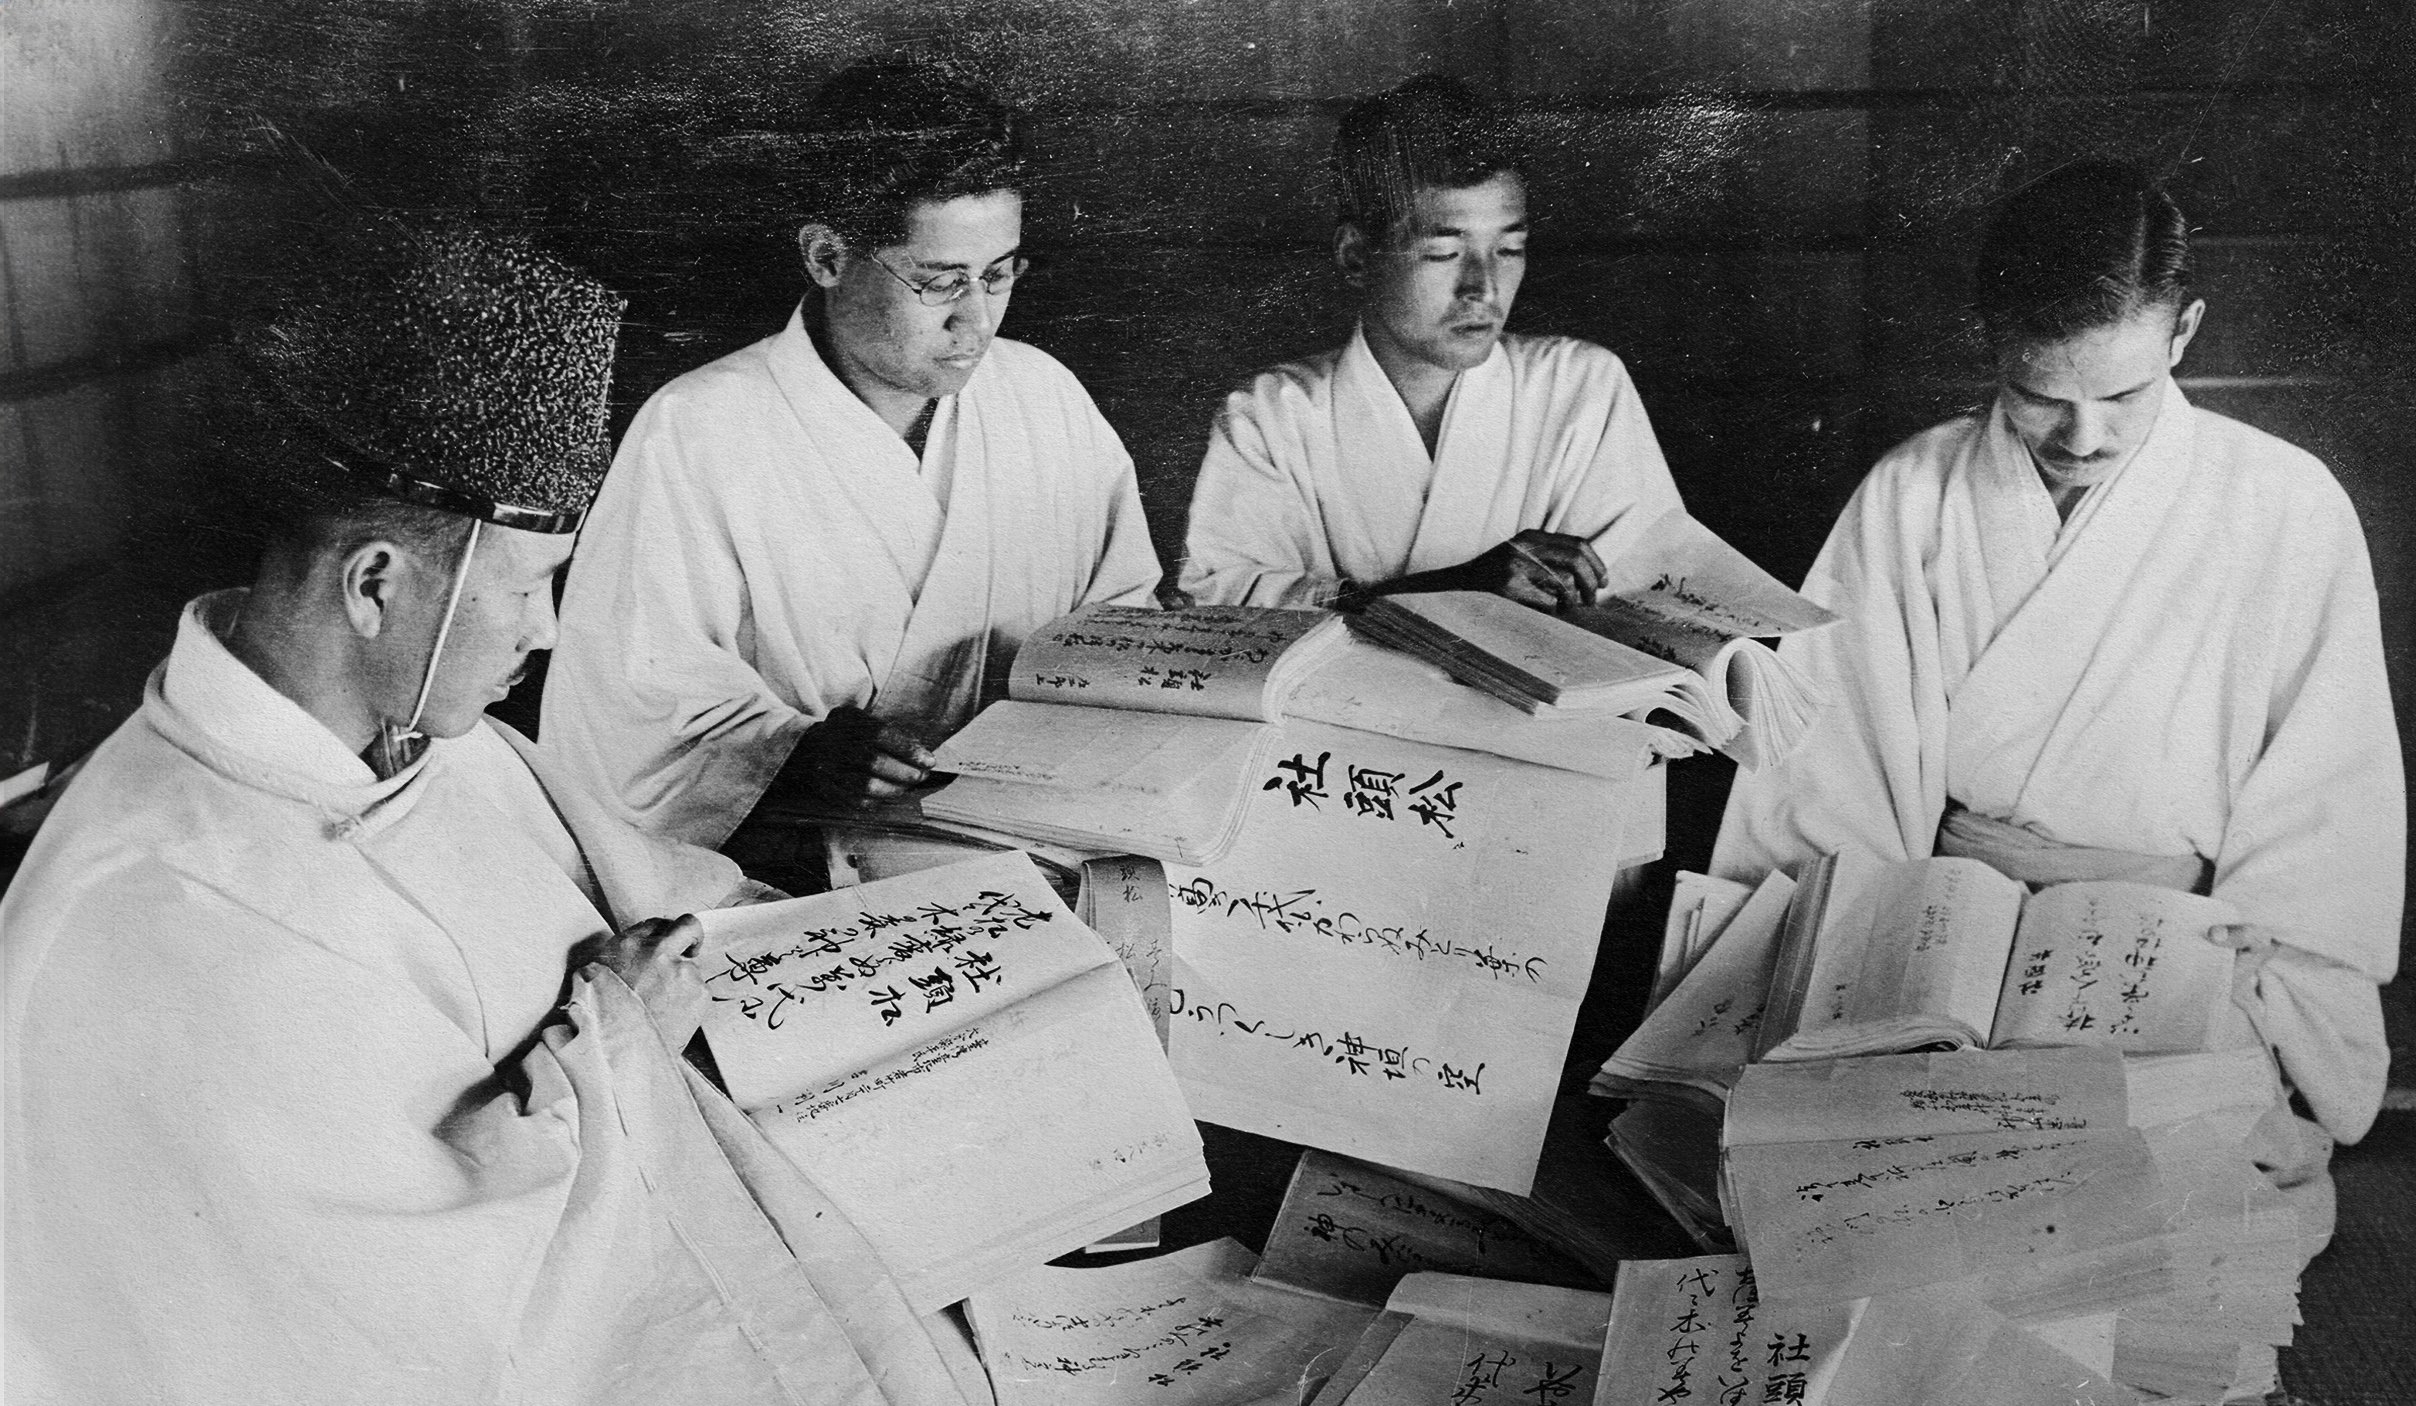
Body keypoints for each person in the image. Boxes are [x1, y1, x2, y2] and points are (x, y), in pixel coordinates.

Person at [2, 220, 985, 1405]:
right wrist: (611, 1036)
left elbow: (675, 894)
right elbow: (388, 1307)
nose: (548, 629)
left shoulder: (433, 743)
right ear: (375, 583)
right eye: (528, 586)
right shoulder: (159, 907)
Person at [1711, 161, 2403, 1243]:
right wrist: (1871, 947)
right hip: (1946, 930)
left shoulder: (2286, 503)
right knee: (1859, 1191)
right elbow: (1837, 757)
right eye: (2041, 395)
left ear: (2182, 333)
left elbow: (2328, 788)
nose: (2081, 435)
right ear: (1991, 342)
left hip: (2175, 945)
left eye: (2120, 395)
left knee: (2182, 1210)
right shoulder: (1913, 491)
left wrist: (2259, 956)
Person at [538, 56, 1159, 872]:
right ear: (828, 257)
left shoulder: (1045, 399)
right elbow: (630, 711)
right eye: (940, 283)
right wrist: (791, 756)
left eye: (999, 275)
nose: (976, 321)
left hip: (1040, 845)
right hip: (799, 877)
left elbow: (1125, 628)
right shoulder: (696, 431)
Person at [1178, 74, 1683, 612]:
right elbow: (1220, 607)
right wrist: (1452, 591)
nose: (1483, 288)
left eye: (1509, 249)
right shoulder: (1271, 415)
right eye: (1444, 253)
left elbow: (1643, 603)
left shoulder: (1580, 385)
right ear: (1355, 255)